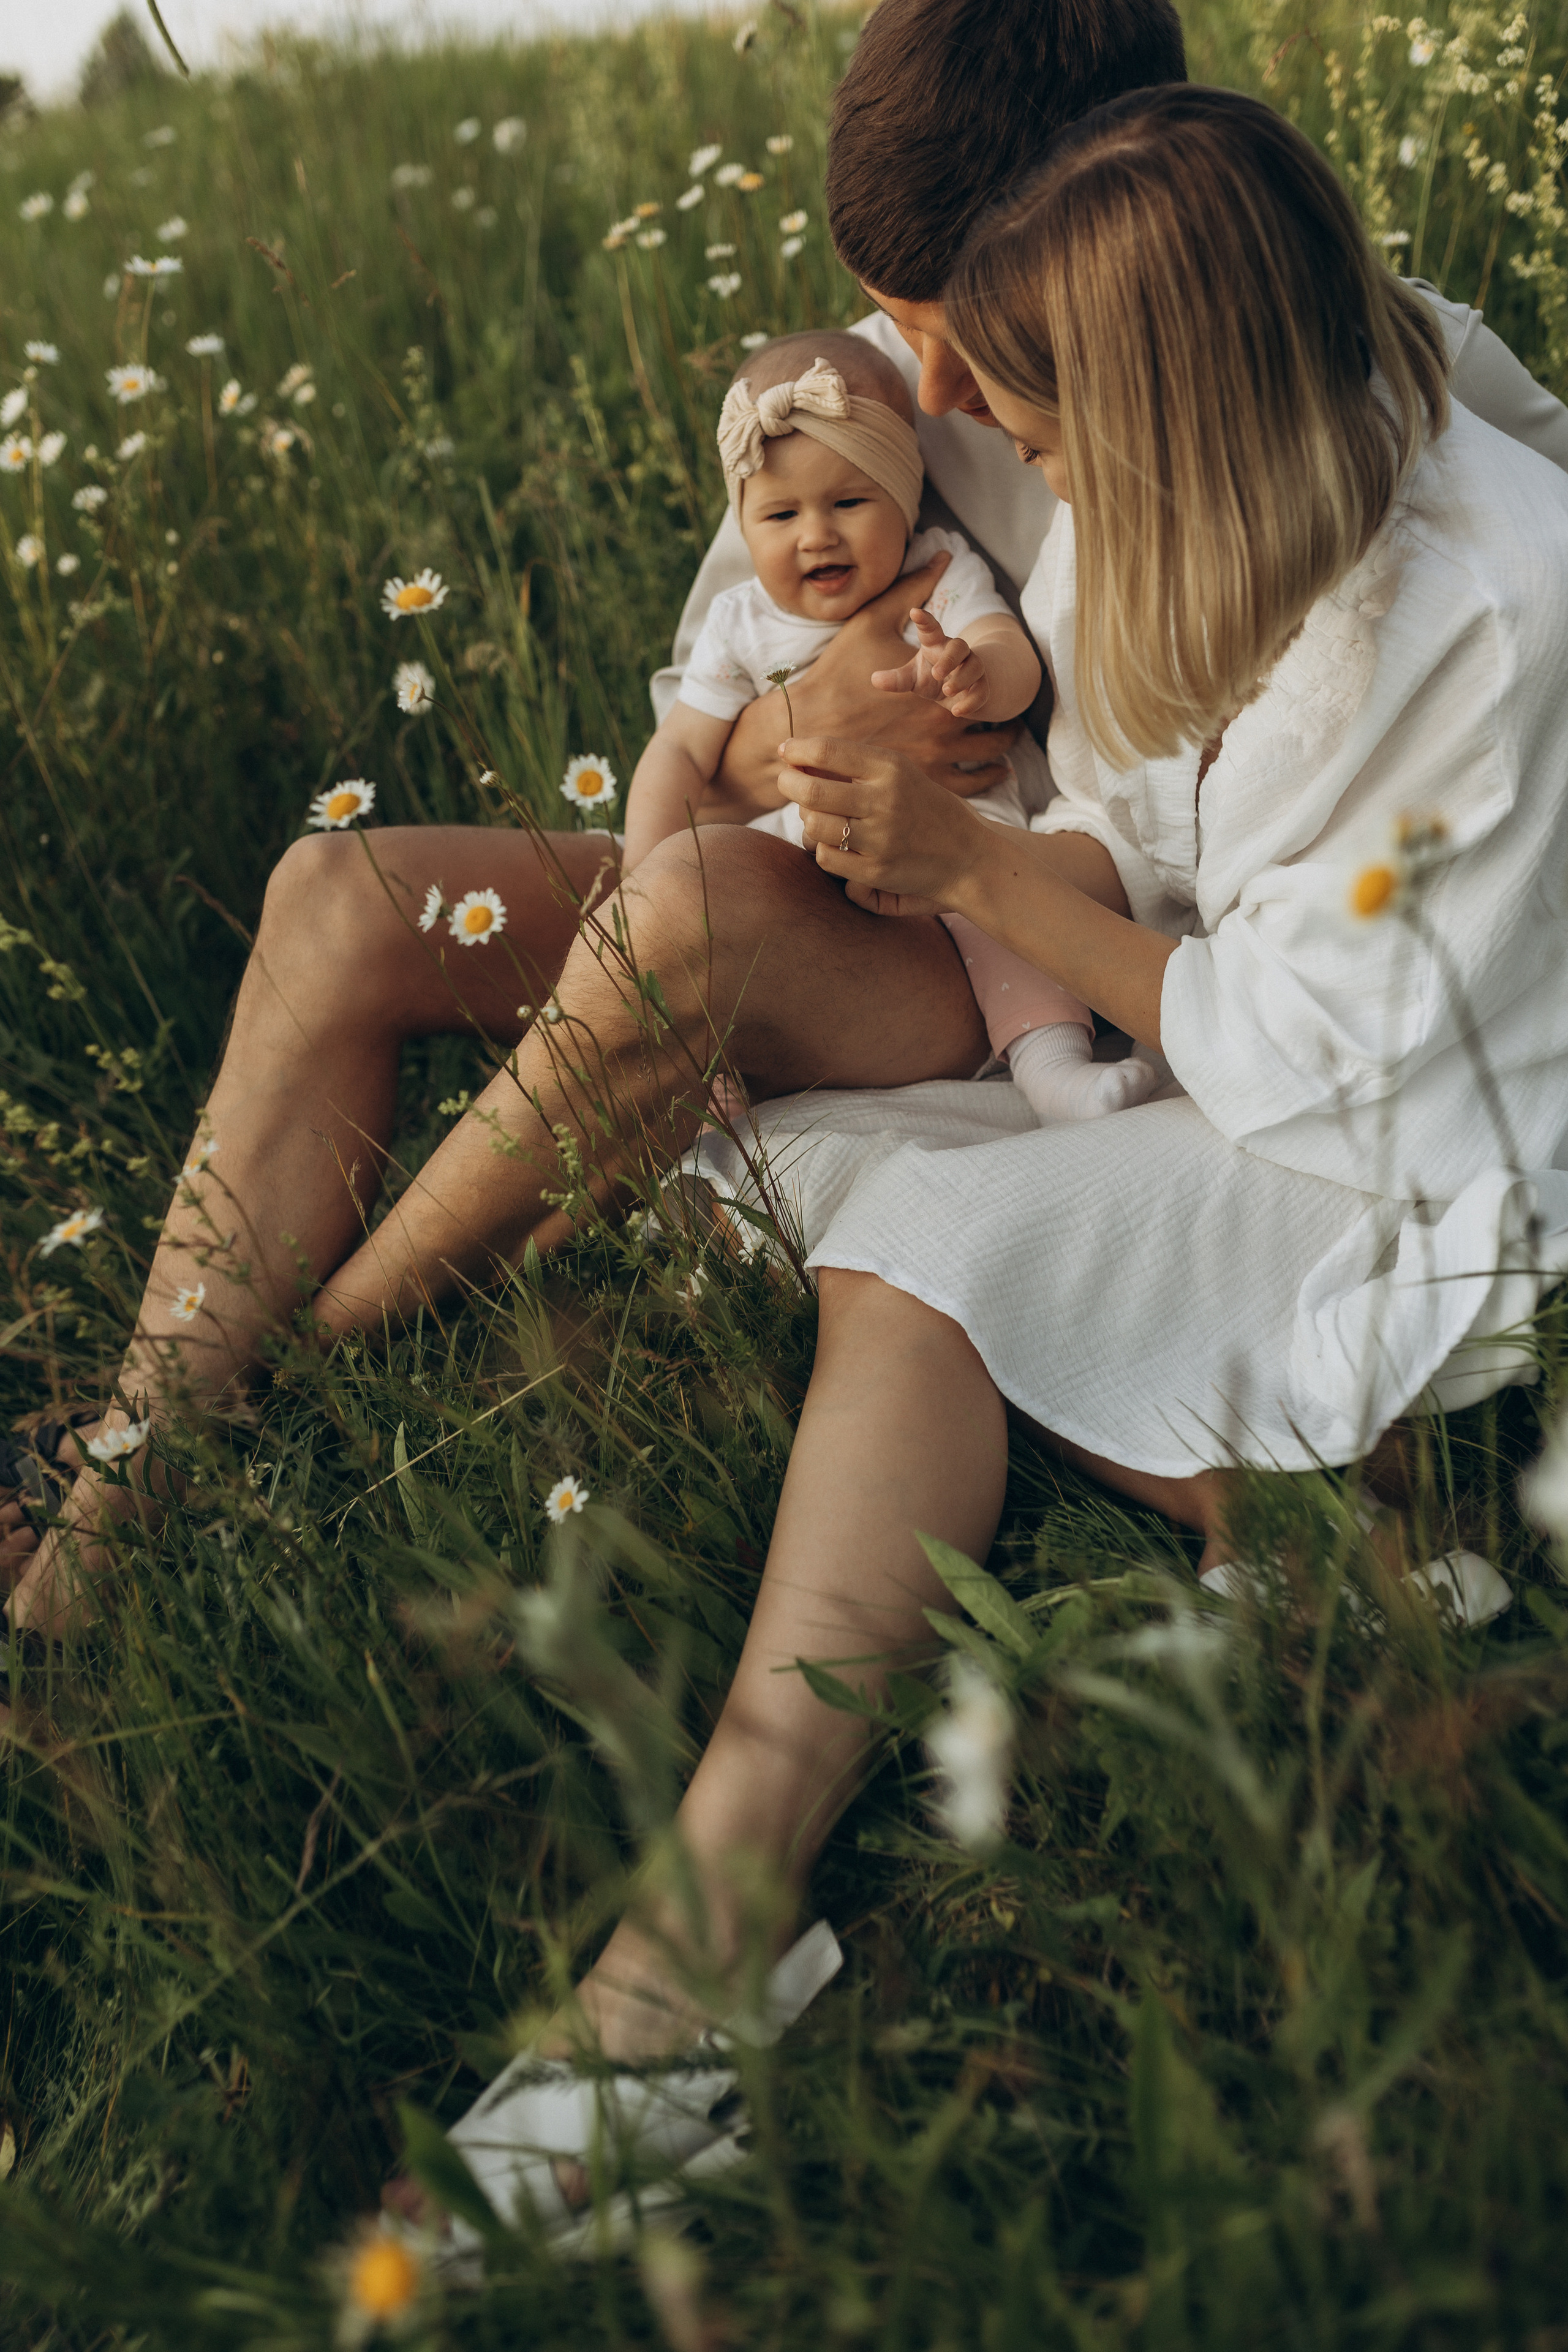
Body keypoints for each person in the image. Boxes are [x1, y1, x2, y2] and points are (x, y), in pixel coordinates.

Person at [369, 80, 1568, 2260]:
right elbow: (1183, 828)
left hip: (1417, 1134)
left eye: (1040, 415)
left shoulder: (1490, 612)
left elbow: (1316, 1037)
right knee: (839, 1179)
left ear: (1155, 389)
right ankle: (1298, 1551)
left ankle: (711, 1934)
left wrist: (991, 883)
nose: (1042, 470)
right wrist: (978, 855)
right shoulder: (1265, 472)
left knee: (921, 1229)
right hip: (1244, 1035)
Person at [7, 0, 1568, 1612]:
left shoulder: (1312, 366)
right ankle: (142, 1427)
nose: (936, 382)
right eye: (900, 321)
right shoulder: (879, 384)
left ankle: (237, 1428)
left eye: (963, 327)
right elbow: (722, 691)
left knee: (682, 921)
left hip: (1058, 945)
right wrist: (788, 739)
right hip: (870, 865)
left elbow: (1508, 561)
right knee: (337, 893)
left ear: (1114, 214)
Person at [627, 329, 1152, 1120]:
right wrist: (642, 888)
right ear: (743, 523)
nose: (815, 535)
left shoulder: (937, 574)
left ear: (905, 499)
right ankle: (721, 1072)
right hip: (802, 861)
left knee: (998, 910)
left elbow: (1015, 658)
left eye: (848, 502)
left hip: (958, 829)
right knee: (737, 934)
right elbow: (677, 754)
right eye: (779, 513)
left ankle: (1052, 1064)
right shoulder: (739, 625)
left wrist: (975, 673)